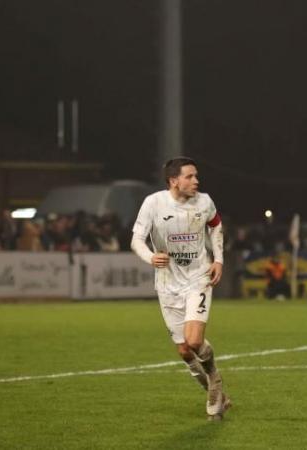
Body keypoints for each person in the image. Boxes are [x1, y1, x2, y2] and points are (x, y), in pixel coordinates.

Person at [131, 157, 230, 420]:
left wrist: (218, 259)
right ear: (174, 181)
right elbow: (137, 240)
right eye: (189, 176)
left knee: (194, 340)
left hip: (199, 276)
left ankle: (214, 380)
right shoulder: (153, 203)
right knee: (185, 350)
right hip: (167, 283)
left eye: (196, 176)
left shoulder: (205, 202)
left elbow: (216, 225)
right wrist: (150, 257)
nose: (196, 181)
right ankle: (217, 394)